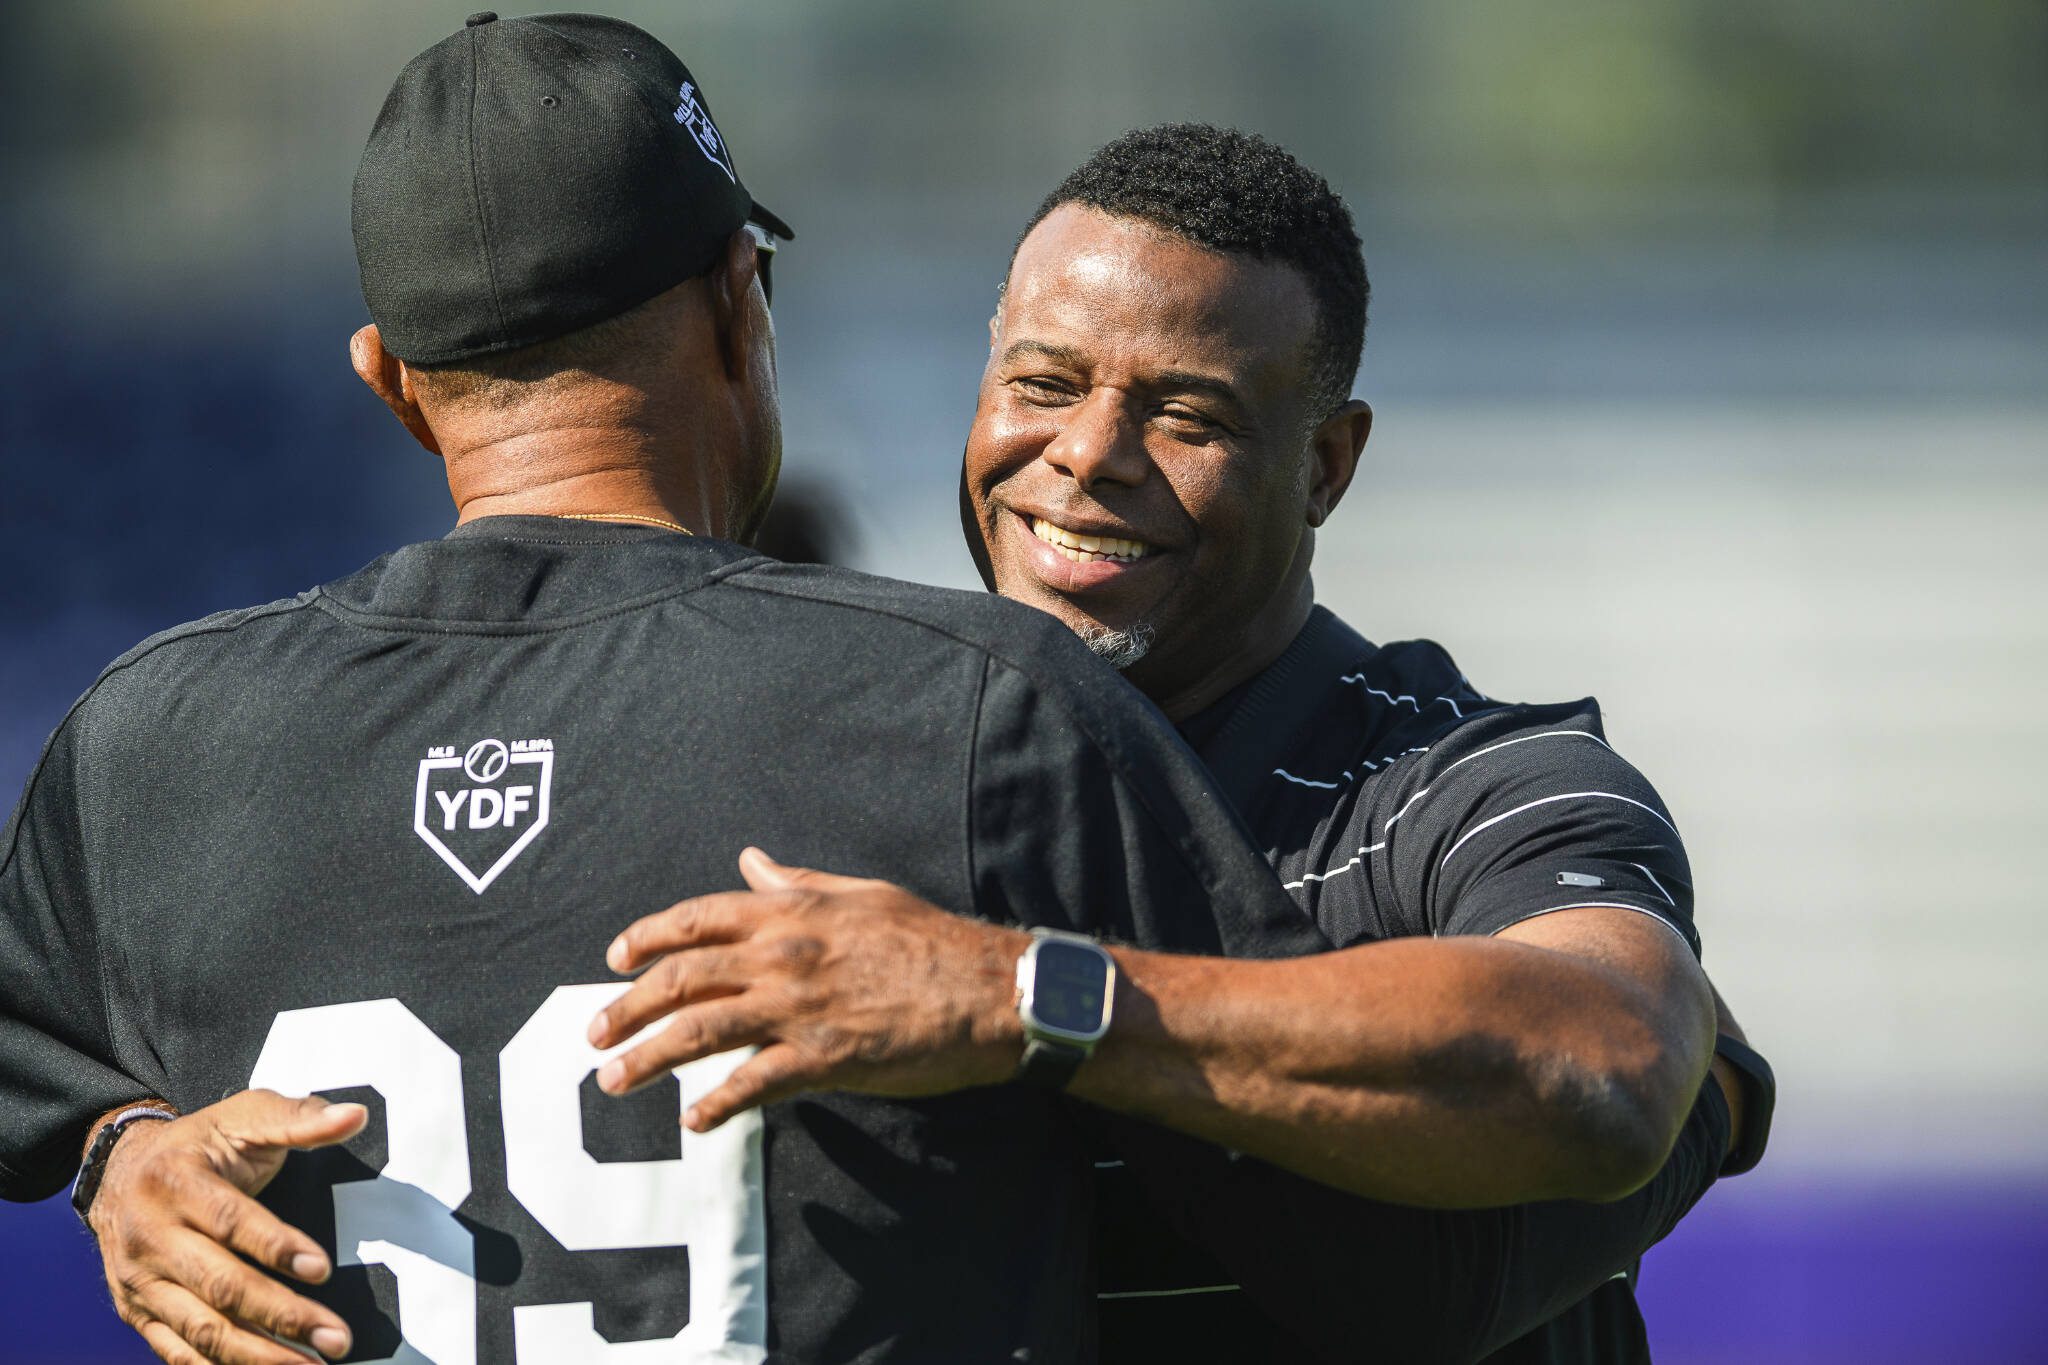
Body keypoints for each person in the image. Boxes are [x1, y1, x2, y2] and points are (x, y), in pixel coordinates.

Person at [0, 26, 1328, 1365]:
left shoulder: (146, 743)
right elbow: (1362, 1177)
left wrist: (115, 1152)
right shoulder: (983, 702)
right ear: (738, 304)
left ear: (388, 378)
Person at [576, 127, 1776, 1362]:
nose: (1088, 453)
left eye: (1186, 414)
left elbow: (1610, 1057)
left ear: (1324, 464)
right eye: (1043, 385)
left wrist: (1015, 994)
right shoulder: (843, 772)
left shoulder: (1474, 790)